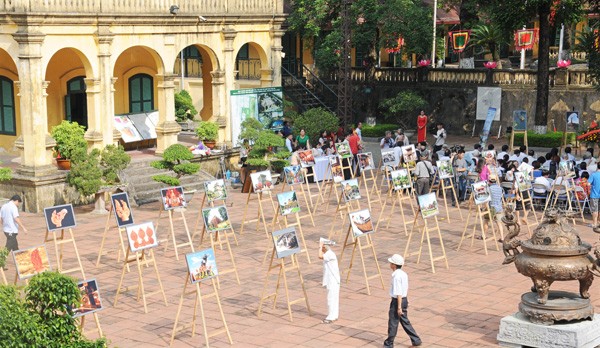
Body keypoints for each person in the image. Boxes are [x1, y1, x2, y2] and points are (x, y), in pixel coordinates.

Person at [384, 254, 421, 347]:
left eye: (391, 263)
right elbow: (405, 289)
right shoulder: (404, 274)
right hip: (404, 299)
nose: (390, 264)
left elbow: (398, 292)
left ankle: (389, 343)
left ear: (394, 265)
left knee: (393, 322)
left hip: (397, 301)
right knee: (404, 321)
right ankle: (415, 339)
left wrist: (399, 307)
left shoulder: (396, 277)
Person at [319, 238, 340, 324]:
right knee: (333, 298)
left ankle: (331, 316)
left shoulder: (330, 254)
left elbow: (320, 256)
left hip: (333, 280)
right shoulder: (329, 254)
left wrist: (320, 246)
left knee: (331, 298)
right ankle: (334, 315)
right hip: (332, 280)